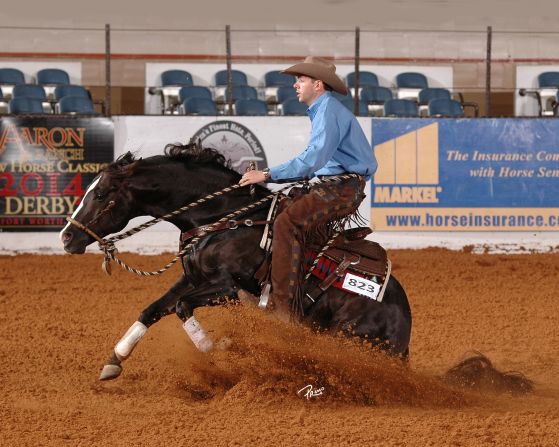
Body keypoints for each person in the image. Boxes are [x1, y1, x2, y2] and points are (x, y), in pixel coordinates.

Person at [239, 56, 377, 316]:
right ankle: (276, 288)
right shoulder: (325, 110)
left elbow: (312, 160)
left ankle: (284, 308)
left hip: (342, 189)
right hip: (337, 186)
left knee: (286, 223)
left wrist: (267, 175)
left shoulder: (328, 111)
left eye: (301, 80)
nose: (295, 85)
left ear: (318, 84)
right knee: (279, 215)